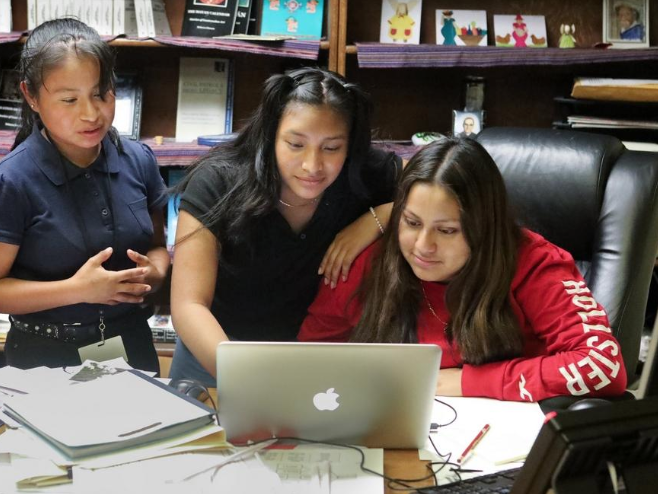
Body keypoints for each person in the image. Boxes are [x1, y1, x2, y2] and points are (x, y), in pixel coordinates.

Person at [298, 137, 627, 402]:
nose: (423, 246)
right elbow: (308, 358)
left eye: (447, 230)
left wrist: (469, 382)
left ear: (482, 226)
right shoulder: (364, 259)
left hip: (503, 445)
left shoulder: (534, 262)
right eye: (412, 223)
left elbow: (604, 366)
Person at [170, 67, 401, 386]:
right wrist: (243, 378)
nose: (312, 165)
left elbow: (436, 195)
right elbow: (188, 304)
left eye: (332, 148)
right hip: (217, 355)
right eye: (295, 144)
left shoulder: (365, 174)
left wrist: (379, 217)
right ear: (270, 135)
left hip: (313, 361)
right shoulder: (218, 182)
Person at [0, 18, 169, 374]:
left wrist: (156, 271)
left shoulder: (138, 160)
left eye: (101, 93)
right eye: (69, 100)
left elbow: (156, 246)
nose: (90, 114)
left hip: (131, 343)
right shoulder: (8, 182)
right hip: (43, 355)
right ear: (31, 96)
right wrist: (79, 290)